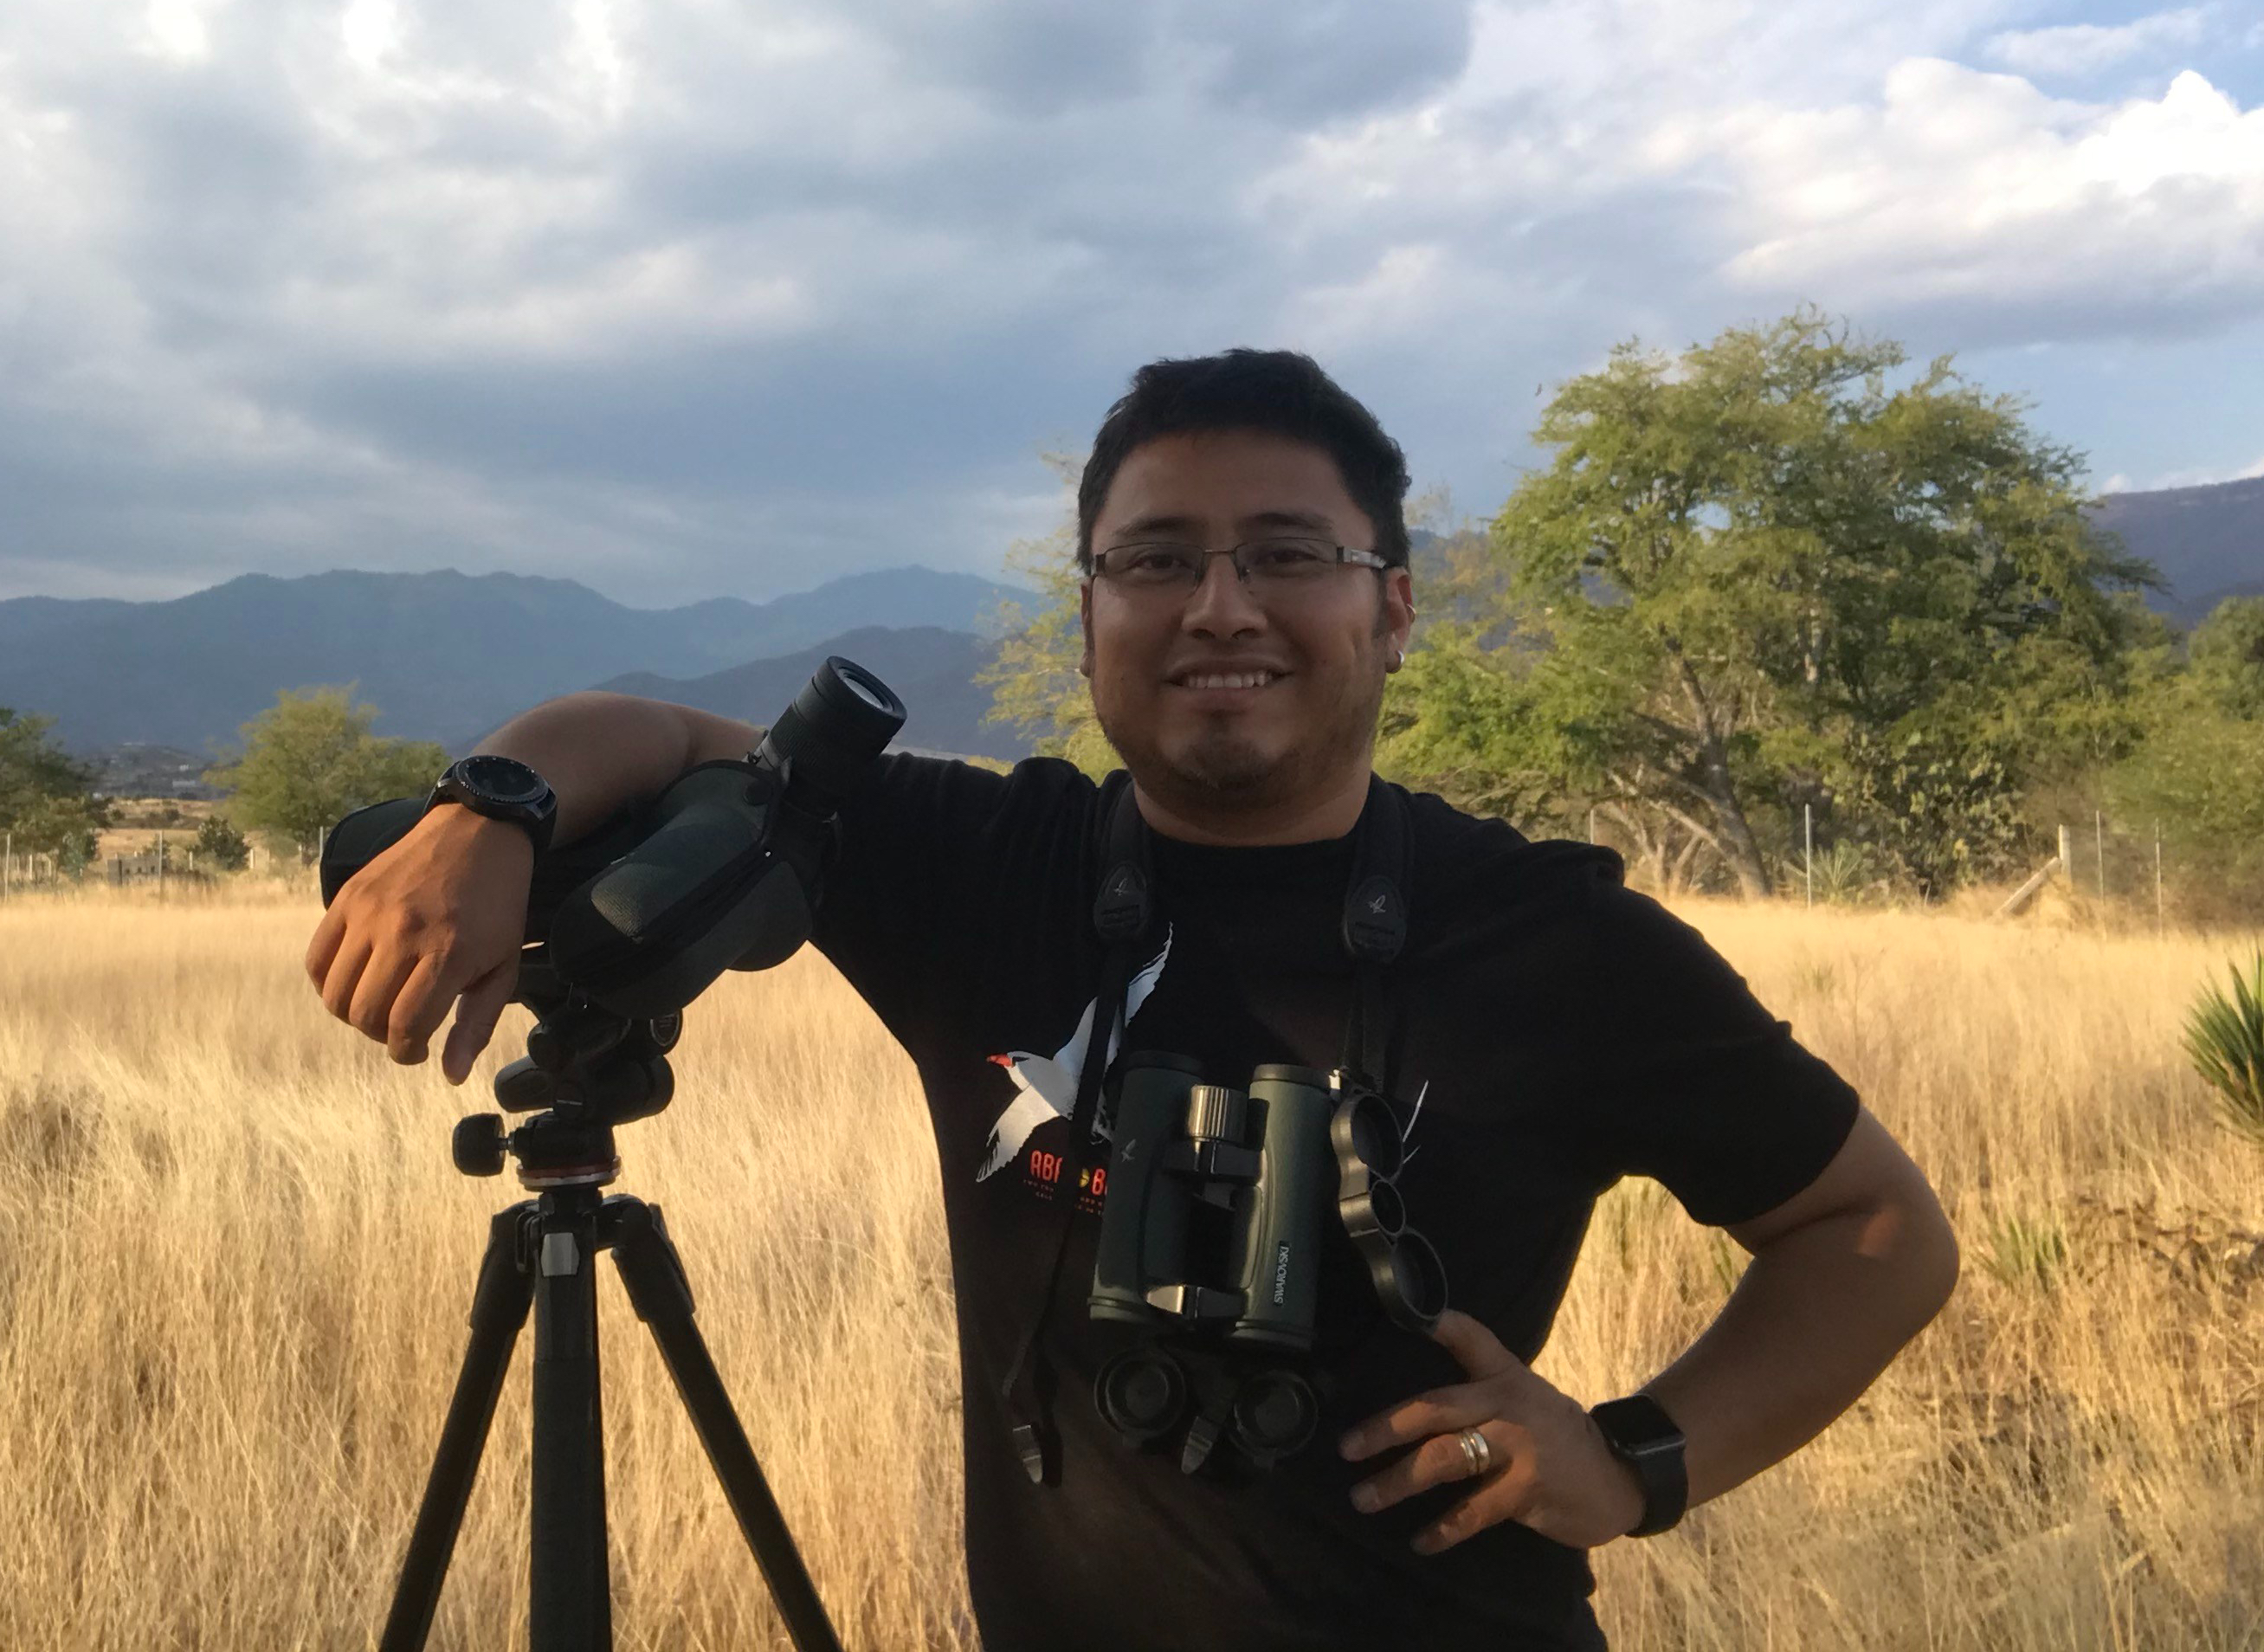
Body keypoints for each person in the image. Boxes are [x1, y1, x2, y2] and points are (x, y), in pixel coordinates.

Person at [306, 348, 1959, 1650]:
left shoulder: (1552, 940)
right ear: (1091, 610)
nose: (1219, 606)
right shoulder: (987, 865)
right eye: (1156, 560)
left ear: (1392, 606)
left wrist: (1637, 1461)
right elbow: (662, 733)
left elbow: (1877, 1230)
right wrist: (490, 810)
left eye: (1288, 555)